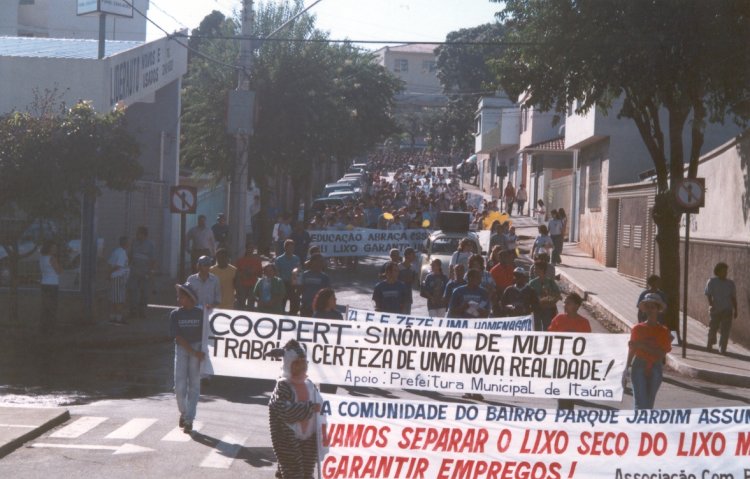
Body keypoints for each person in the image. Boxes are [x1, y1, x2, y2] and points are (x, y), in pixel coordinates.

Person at [267, 339, 323, 479]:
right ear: (289, 364)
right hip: (287, 437)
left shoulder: (310, 384)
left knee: (306, 472)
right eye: (297, 363)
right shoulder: (283, 385)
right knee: (294, 472)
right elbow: (281, 408)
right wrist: (309, 408)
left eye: (304, 362)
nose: (302, 366)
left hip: (308, 437)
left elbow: (320, 406)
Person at [626, 293, 672, 410]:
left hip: (655, 367)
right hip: (638, 366)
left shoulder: (663, 331)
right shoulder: (637, 329)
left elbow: (661, 354)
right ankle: (638, 428)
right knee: (640, 404)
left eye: (653, 307)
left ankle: (646, 428)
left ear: (658, 309)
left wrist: (641, 345)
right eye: (648, 307)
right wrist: (626, 368)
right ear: (645, 309)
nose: (650, 310)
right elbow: (632, 350)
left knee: (649, 405)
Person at [170, 282, 204, 434]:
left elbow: (209, 331)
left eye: (181, 297)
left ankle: (189, 419)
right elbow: (177, 336)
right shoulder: (175, 314)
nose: (179, 300)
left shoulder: (201, 313)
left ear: (190, 298)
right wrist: (193, 352)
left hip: (197, 348)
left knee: (194, 385)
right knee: (179, 387)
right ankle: (183, 412)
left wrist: (200, 351)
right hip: (183, 349)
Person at [548, 293, 591, 410]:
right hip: (560, 364)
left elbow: (588, 344)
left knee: (570, 396)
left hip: (575, 365)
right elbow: (549, 339)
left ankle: (568, 420)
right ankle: (561, 421)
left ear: (577, 306)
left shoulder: (584, 323)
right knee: (562, 396)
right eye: (565, 302)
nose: (565, 305)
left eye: (568, 303)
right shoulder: (558, 319)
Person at [705, 262, 737, 354]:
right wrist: (711, 304)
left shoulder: (730, 283)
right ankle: (710, 343)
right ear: (718, 272)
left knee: (725, 331)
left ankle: (722, 348)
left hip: (727, 310)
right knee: (713, 328)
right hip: (715, 309)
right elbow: (708, 294)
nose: (725, 273)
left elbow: (733, 297)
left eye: (726, 271)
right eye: (723, 271)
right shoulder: (712, 281)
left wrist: (736, 310)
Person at [127, 226, 156, 320]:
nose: (137, 235)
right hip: (134, 271)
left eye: (139, 233)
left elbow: (153, 259)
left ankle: (142, 311)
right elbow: (130, 256)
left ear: (144, 235)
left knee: (145, 292)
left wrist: (151, 271)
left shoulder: (150, 244)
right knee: (133, 291)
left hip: (145, 271)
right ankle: (133, 310)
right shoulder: (134, 243)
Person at [528, 262, 560, 331]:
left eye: (535, 268)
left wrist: (549, 293)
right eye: (533, 269)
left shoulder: (550, 282)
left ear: (542, 269)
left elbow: (558, 295)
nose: (534, 270)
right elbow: (528, 296)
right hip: (536, 309)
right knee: (536, 328)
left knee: (547, 328)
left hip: (548, 309)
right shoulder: (532, 283)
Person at [39, 241, 61, 332]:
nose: (55, 249)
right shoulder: (52, 258)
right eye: (54, 248)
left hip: (44, 283)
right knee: (52, 306)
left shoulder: (42, 258)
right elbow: (59, 270)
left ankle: (44, 326)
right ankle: (51, 327)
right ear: (49, 249)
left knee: (45, 306)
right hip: (52, 284)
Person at [299, 253, 331, 317]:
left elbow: (328, 294)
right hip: (305, 307)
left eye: (322, 261)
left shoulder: (325, 277)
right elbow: (299, 290)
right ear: (313, 262)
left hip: (319, 308)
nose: (321, 263)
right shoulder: (304, 275)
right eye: (319, 261)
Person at [107, 236, 130, 325]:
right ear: (125, 243)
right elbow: (118, 266)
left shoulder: (116, 251)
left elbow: (109, 263)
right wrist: (109, 274)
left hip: (116, 278)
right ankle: (119, 318)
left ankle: (113, 316)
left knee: (115, 298)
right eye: (128, 242)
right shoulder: (122, 253)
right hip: (118, 278)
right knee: (119, 299)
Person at [274, 239, 301, 315]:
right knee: (281, 304)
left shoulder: (296, 259)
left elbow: (299, 272)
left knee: (295, 304)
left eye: (292, 247)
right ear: (285, 248)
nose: (291, 249)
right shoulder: (279, 259)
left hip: (293, 284)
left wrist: (298, 284)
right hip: (283, 284)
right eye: (289, 247)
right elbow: (276, 273)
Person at [234, 242, 263, 310]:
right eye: (249, 248)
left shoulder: (257, 261)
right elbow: (236, 273)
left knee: (251, 305)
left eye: (252, 248)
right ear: (246, 249)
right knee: (241, 304)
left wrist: (252, 273)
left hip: (253, 285)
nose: (251, 249)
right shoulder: (240, 260)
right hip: (242, 285)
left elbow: (260, 274)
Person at [490, 249, 516, 314]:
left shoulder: (511, 268)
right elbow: (492, 285)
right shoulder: (494, 270)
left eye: (506, 256)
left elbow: (514, 281)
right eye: (502, 257)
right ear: (499, 258)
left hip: (510, 293)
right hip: (499, 294)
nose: (504, 259)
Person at [398, 247, 418, 314]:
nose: (414, 256)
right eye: (413, 254)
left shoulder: (413, 268)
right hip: (398, 297)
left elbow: (415, 282)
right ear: (407, 255)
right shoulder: (398, 267)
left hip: (408, 297)